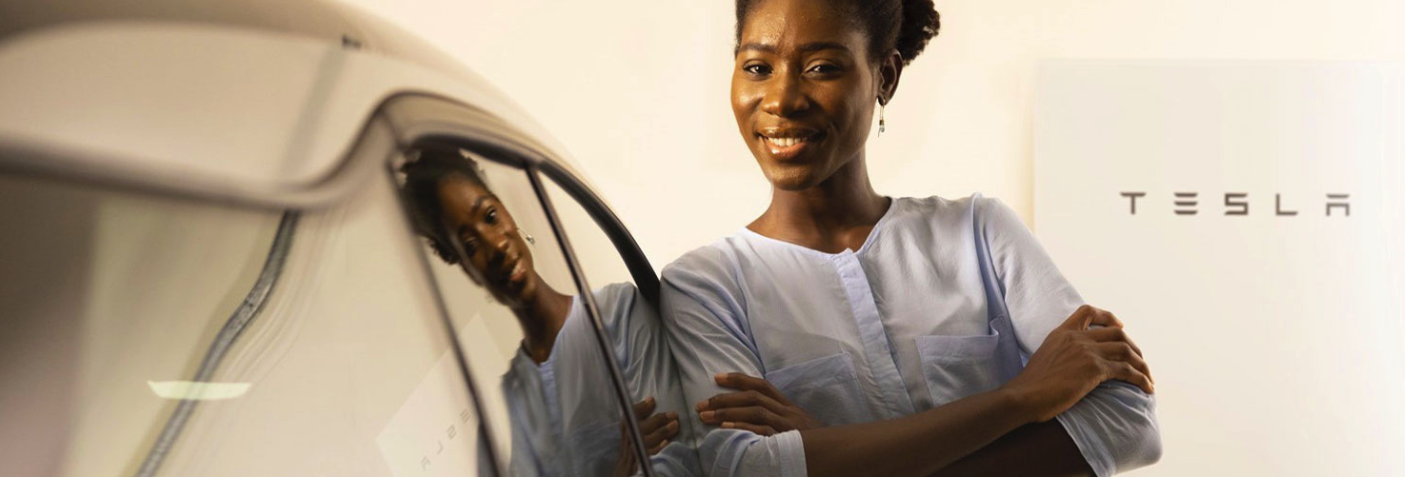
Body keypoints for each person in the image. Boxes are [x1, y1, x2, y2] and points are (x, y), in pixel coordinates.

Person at [659, 0, 1163, 476]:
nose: (782, 99)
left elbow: (1127, 426)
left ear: (886, 77)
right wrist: (1020, 399)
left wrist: (833, 450)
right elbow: (747, 468)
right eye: (757, 68)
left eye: (822, 68)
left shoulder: (979, 232)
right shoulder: (704, 287)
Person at [397, 145, 693, 476]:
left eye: (491, 217)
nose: (495, 245)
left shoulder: (619, 317)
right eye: (469, 246)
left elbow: (680, 459)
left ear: (507, 210)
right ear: (462, 266)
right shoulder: (504, 418)